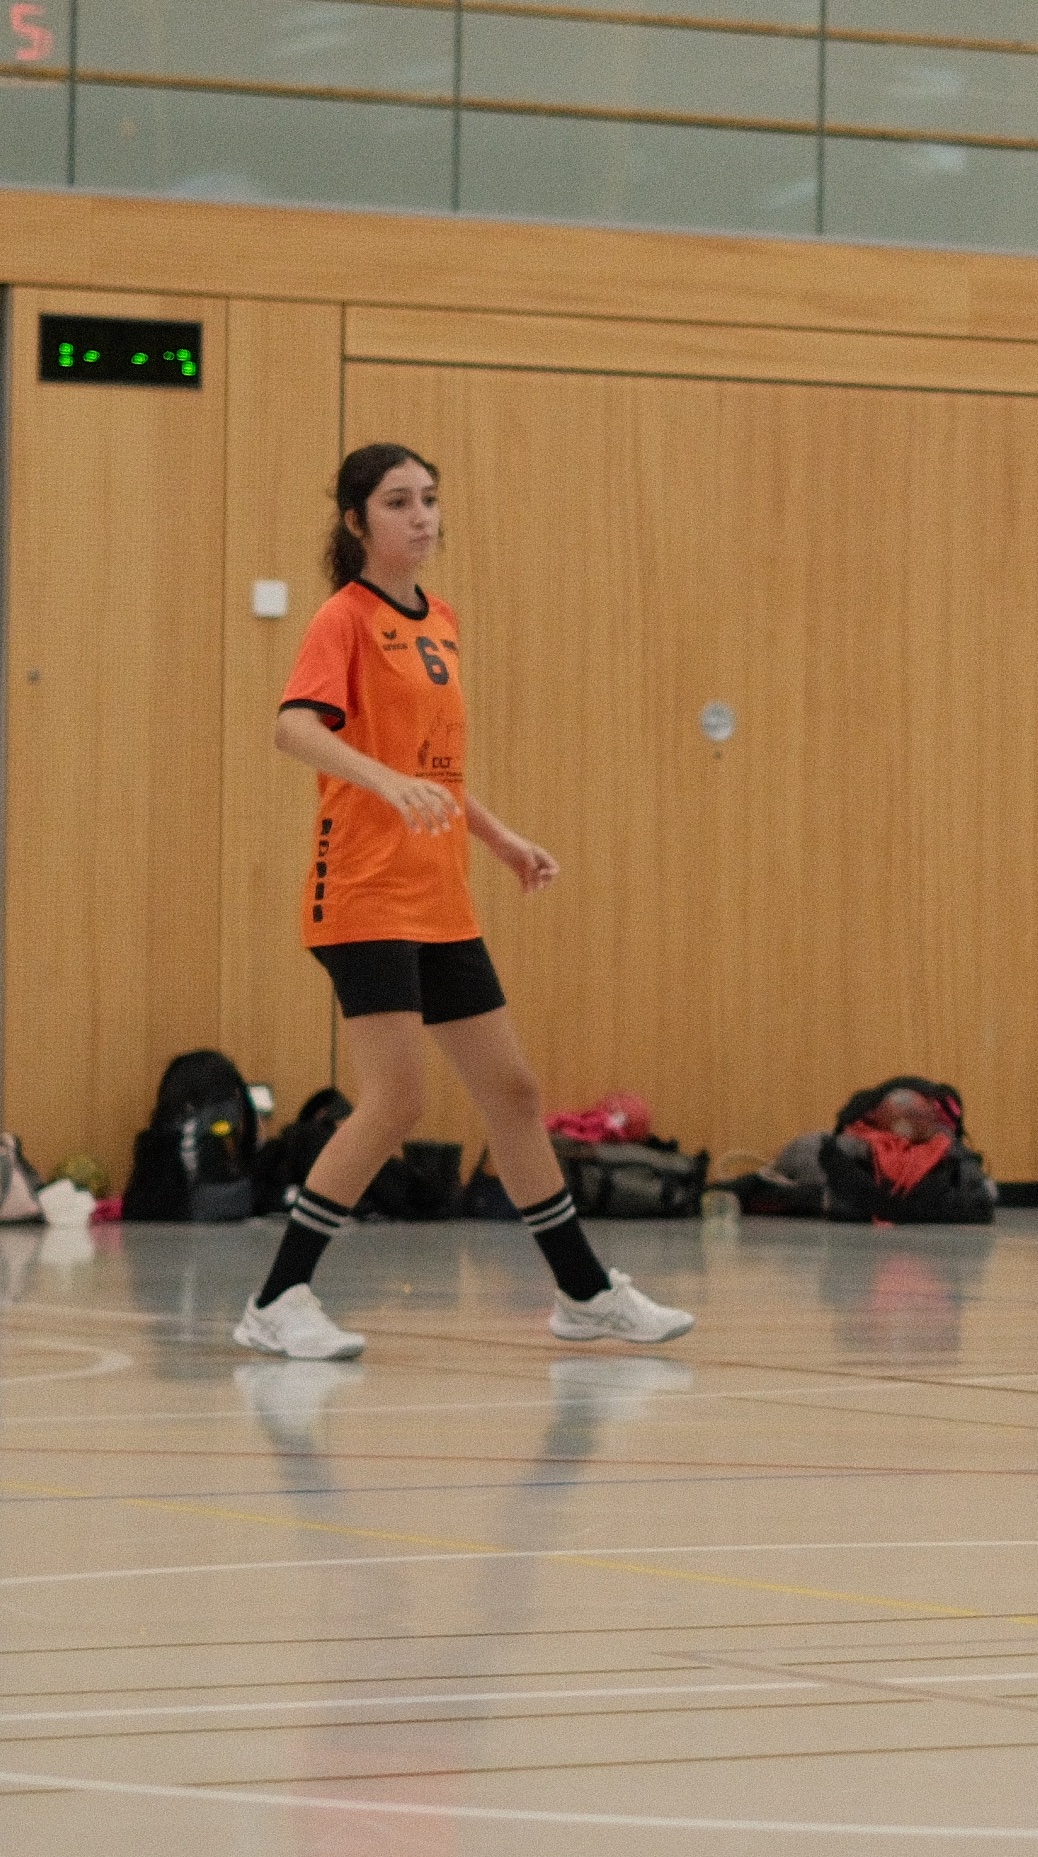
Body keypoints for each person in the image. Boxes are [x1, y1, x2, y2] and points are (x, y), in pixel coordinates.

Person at [234, 444, 695, 1362]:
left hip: (438, 893)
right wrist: (380, 781)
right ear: (357, 521)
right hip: (362, 890)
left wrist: (500, 838)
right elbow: (292, 728)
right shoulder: (343, 618)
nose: (422, 516)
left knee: (513, 1092)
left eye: (430, 499)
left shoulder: (440, 620)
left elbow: (436, 772)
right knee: (396, 1099)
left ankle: (583, 1293)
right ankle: (276, 1298)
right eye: (398, 502)